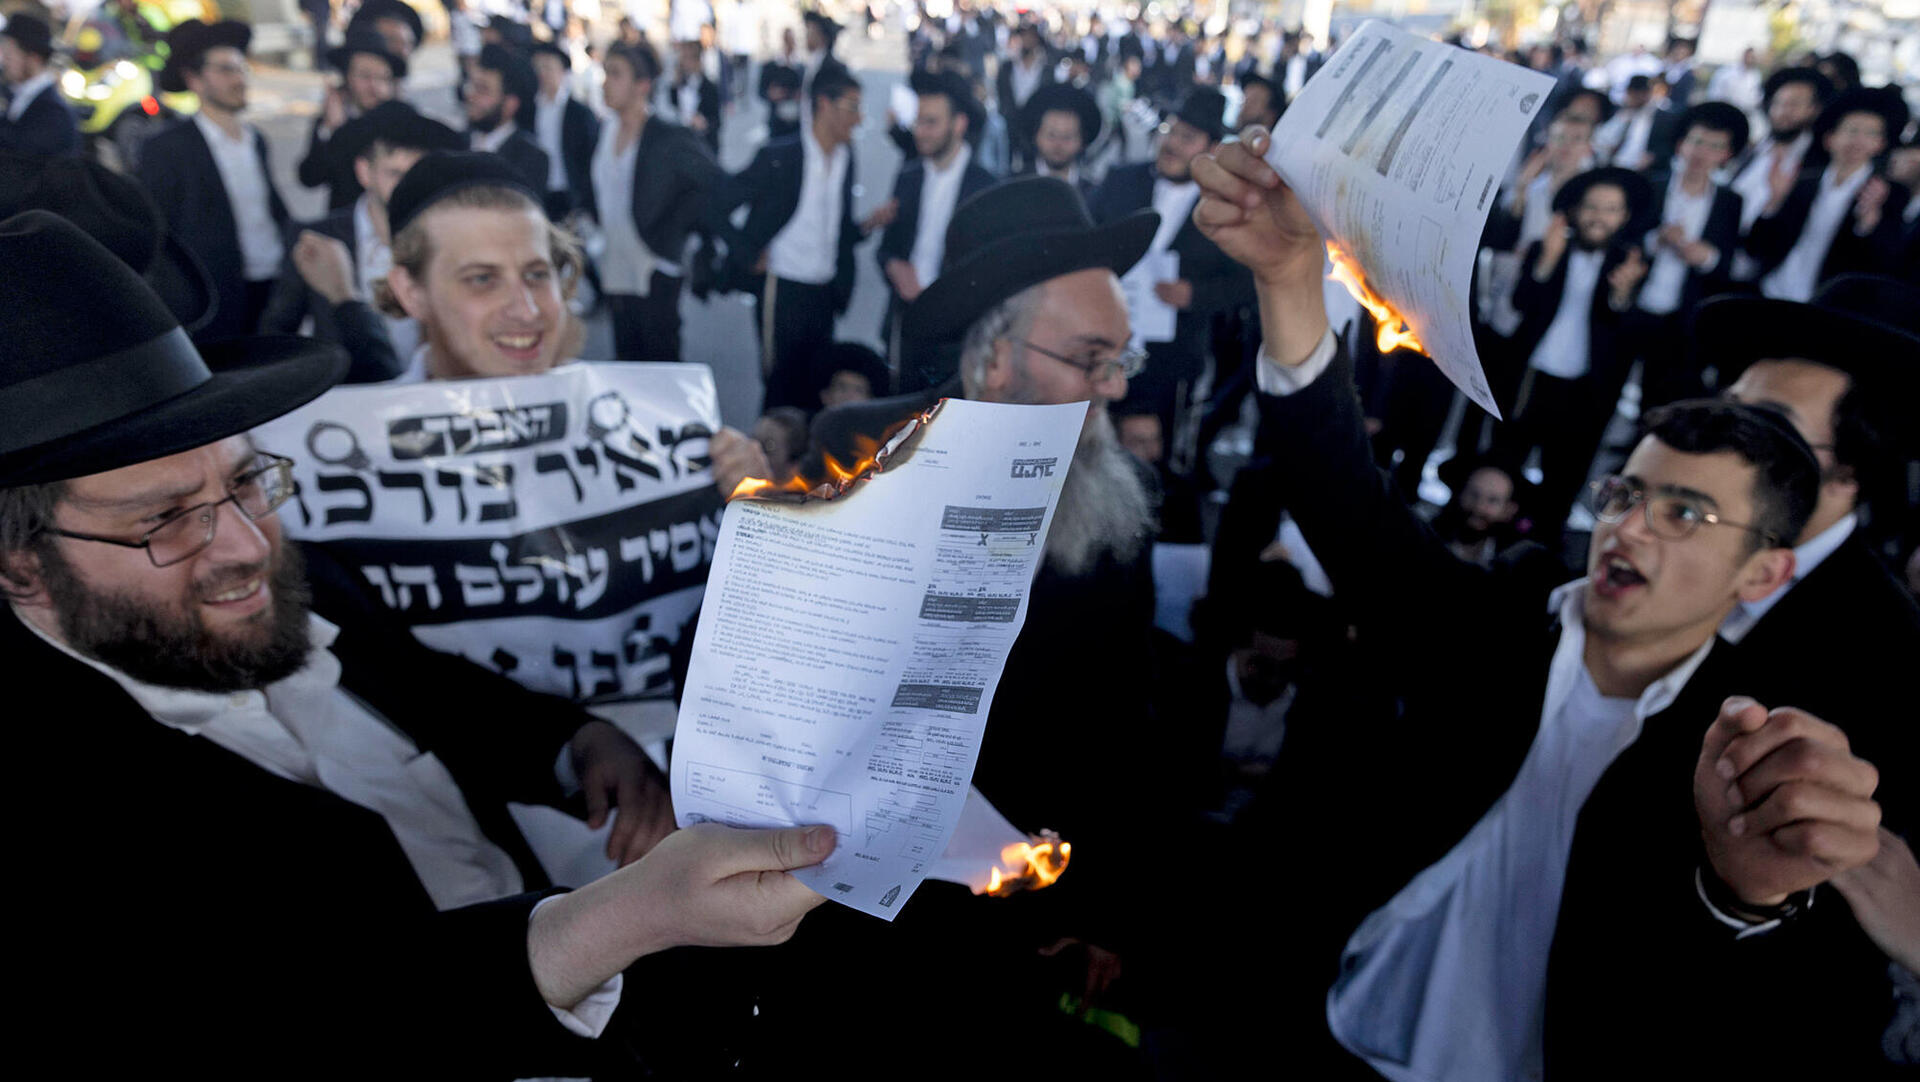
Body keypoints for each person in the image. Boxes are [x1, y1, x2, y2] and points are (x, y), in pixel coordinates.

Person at [0, 209, 834, 1077]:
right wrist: (619, 920)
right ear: (21, 565)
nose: (247, 547)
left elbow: (432, 689)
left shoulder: (309, 579)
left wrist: (576, 742)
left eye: (247, 482)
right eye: (165, 520)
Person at [1189, 126, 1893, 1080]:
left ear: (1762, 573)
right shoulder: (1503, 620)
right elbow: (1347, 505)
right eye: (1627, 495)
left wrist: (1745, 898)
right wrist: (1286, 281)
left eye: (1686, 513)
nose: (1632, 530)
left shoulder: (1742, 742)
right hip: (1334, 1022)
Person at [1090, 88, 1253, 470]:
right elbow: (1087, 236)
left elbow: (1246, 283)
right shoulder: (1121, 180)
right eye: (1170, 131)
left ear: (1211, 149)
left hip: (1174, 355)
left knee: (1159, 451)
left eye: (1187, 137)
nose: (1172, 144)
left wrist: (1195, 294)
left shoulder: (1224, 206)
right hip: (1107, 343)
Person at [1492, 166, 1652, 528]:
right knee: (1505, 463)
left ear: (1624, 216)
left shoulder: (1631, 263)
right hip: (1531, 377)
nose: (1599, 217)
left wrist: (1621, 296)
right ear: (1576, 210)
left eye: (1611, 209)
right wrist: (1546, 262)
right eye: (1592, 207)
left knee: (1562, 479)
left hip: (1584, 389)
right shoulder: (1546, 246)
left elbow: (1626, 335)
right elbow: (1520, 304)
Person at [261, 101, 463, 381]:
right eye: (395, 174)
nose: (409, 186)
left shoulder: (448, 236)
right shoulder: (319, 237)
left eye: (417, 174)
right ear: (364, 172)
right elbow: (277, 333)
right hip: (349, 397)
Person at [704, 64, 865, 411]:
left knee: (817, 390)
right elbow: (715, 206)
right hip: (782, 291)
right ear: (824, 104)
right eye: (852, 107)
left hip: (825, 294)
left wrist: (866, 227)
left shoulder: (846, 158)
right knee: (780, 391)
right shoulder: (781, 156)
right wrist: (747, 253)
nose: (859, 119)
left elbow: (837, 227)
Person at [140, 19, 292, 343]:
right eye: (225, 70)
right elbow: (160, 234)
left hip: (272, 285)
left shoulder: (256, 140)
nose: (239, 79)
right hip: (215, 300)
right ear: (194, 79)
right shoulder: (167, 149)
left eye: (241, 69)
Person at [375, 152, 585, 381]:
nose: (527, 311)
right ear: (411, 294)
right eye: (482, 279)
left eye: (537, 275)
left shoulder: (610, 398)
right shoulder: (370, 407)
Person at [582, 41, 721, 364]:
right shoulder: (606, 130)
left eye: (615, 74)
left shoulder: (666, 135)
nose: (605, 83)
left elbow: (713, 183)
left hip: (654, 267)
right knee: (626, 358)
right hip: (615, 264)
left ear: (642, 85)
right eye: (605, 73)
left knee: (660, 358)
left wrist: (676, 230)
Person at [1746, 86, 1911, 302]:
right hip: (1772, 289)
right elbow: (1756, 246)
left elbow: (1886, 264)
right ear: (1830, 139)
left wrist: (1869, 223)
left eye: (1871, 134)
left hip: (1828, 304)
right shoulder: (1803, 182)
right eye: (1852, 130)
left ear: (1880, 144)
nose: (1858, 141)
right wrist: (1774, 202)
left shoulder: (1889, 194)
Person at [876, 69, 994, 362]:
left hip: (957, 335)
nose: (919, 131)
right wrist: (893, 266)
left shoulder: (986, 187)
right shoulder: (908, 176)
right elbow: (887, 248)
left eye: (931, 122)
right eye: (918, 121)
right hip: (905, 324)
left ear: (959, 124)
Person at [1633, 101, 1747, 406]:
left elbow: (1725, 264)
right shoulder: (1651, 185)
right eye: (1696, 141)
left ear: (1726, 155)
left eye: (1714, 146)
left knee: (1659, 398)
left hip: (1679, 317)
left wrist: (1706, 257)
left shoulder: (1730, 202)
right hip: (1633, 305)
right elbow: (1624, 240)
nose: (1701, 153)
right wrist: (1656, 239)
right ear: (1681, 144)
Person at [297, 31, 406, 211]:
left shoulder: (403, 119)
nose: (374, 86)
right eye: (365, 76)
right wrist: (332, 130)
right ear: (346, 78)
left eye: (382, 78)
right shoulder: (330, 120)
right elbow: (310, 178)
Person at [1726, 67, 1833, 245]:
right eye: (1778, 103)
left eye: (1794, 105)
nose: (1782, 112)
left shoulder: (1816, 163)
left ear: (1814, 109)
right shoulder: (1758, 148)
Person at [467, 43, 553, 196]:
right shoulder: (457, 143)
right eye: (473, 86)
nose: (471, 96)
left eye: (483, 89)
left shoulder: (530, 159)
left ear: (510, 104)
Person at [529, 41, 599, 220]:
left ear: (562, 71)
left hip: (571, 193)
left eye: (548, 67)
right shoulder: (529, 110)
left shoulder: (579, 113)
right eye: (537, 68)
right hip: (539, 192)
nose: (542, 74)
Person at [0, 13, 78, 158]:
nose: (4, 62)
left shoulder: (54, 114)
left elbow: (20, 157)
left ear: (33, 59)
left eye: (10, 55)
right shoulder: (13, 93)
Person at [1018, 82, 1101, 205]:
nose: (1058, 144)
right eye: (1051, 135)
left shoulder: (1094, 195)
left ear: (1082, 141)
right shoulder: (1015, 187)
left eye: (1067, 137)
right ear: (1035, 136)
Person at [996, 22, 1053, 170]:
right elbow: (1002, 94)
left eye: (1031, 37)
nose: (1027, 40)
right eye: (1024, 36)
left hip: (1035, 124)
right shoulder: (1007, 67)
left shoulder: (1046, 69)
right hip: (1011, 123)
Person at [664, 37, 723, 154]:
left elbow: (717, 121)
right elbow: (672, 104)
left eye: (688, 58)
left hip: (704, 145)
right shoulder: (680, 84)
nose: (684, 63)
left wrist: (704, 123)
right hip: (683, 142)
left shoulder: (709, 87)